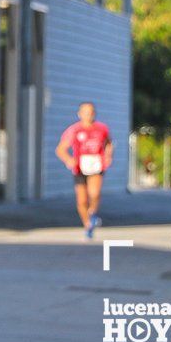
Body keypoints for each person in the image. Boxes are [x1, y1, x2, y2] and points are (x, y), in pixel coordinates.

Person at [55, 102, 112, 239]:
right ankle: (87, 224)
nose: (88, 115)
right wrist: (69, 160)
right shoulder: (74, 130)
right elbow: (60, 149)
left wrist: (108, 156)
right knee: (81, 200)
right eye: (85, 112)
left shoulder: (102, 129)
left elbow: (108, 144)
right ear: (79, 114)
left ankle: (93, 213)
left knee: (94, 193)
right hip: (80, 167)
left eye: (91, 112)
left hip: (96, 165)